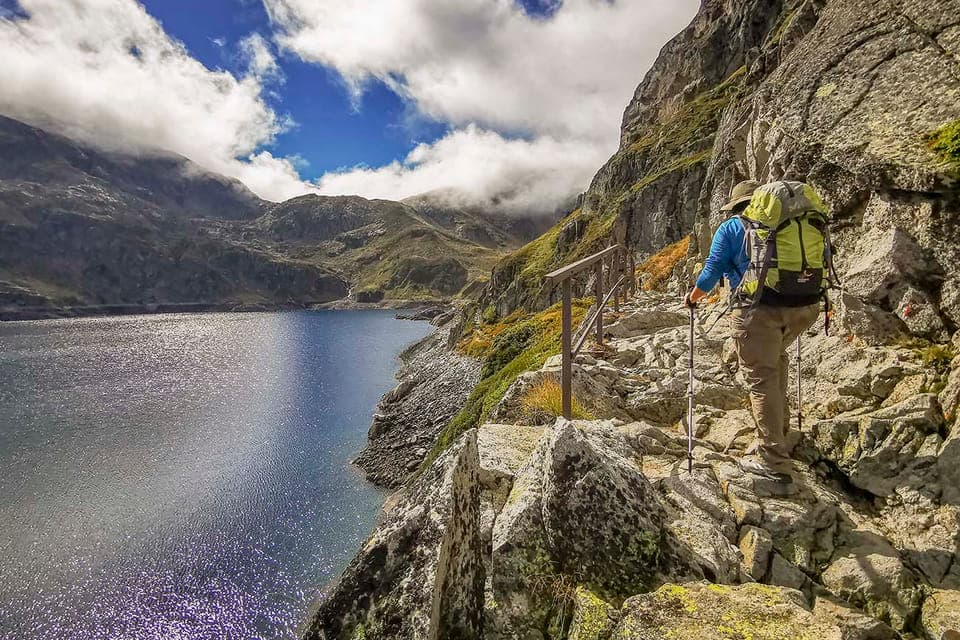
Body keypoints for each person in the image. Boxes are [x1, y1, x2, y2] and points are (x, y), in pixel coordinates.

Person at [684, 180, 821, 483]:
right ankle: (781, 431)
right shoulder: (791, 221)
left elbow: (712, 271)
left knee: (761, 379)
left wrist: (693, 297)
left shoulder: (732, 227)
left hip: (758, 310)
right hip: (805, 306)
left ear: (735, 205)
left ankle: (774, 464)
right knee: (777, 358)